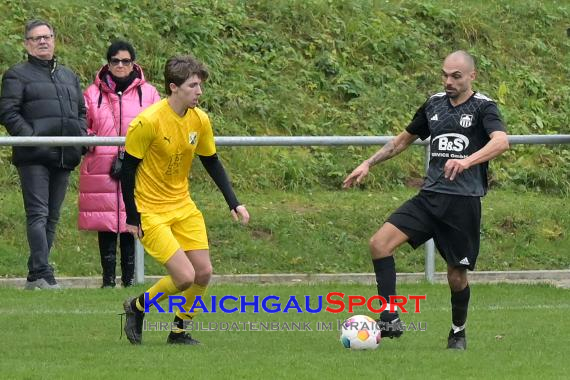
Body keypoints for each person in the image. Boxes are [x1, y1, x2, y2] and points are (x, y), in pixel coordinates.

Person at [343, 50, 509, 350]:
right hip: (429, 198)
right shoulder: (433, 104)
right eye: (445, 75)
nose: (448, 81)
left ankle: (457, 332)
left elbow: (501, 142)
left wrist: (467, 161)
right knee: (379, 244)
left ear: (472, 76)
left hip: (463, 203)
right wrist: (368, 163)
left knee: (456, 276)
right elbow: (401, 141)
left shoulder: (485, 108)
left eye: (456, 76)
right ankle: (389, 314)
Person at [121, 55, 250, 345]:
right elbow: (127, 170)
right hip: (150, 210)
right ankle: (137, 307)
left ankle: (179, 332)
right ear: (173, 87)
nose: (199, 91)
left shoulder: (200, 119)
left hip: (183, 205)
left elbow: (212, 162)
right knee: (184, 277)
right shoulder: (147, 122)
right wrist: (132, 215)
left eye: (200, 85)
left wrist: (234, 202)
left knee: (203, 272)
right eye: (193, 85)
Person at [0, 19, 86, 290]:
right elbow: (8, 112)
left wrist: (80, 140)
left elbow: (81, 113)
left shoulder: (68, 76)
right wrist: (33, 139)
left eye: (46, 36)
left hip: (64, 155)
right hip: (35, 157)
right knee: (37, 213)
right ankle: (42, 273)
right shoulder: (17, 75)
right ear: (27, 43)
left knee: (52, 216)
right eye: (36, 38)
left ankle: (35, 275)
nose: (42, 41)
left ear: (54, 40)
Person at [78, 41, 160, 288]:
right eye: (115, 61)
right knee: (103, 222)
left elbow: (158, 126)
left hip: (136, 165)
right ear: (108, 63)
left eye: (126, 61)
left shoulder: (150, 93)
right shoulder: (92, 94)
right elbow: (83, 126)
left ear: (134, 63)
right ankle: (107, 281)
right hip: (101, 166)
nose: (120, 65)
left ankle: (129, 278)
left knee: (130, 219)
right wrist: (95, 144)